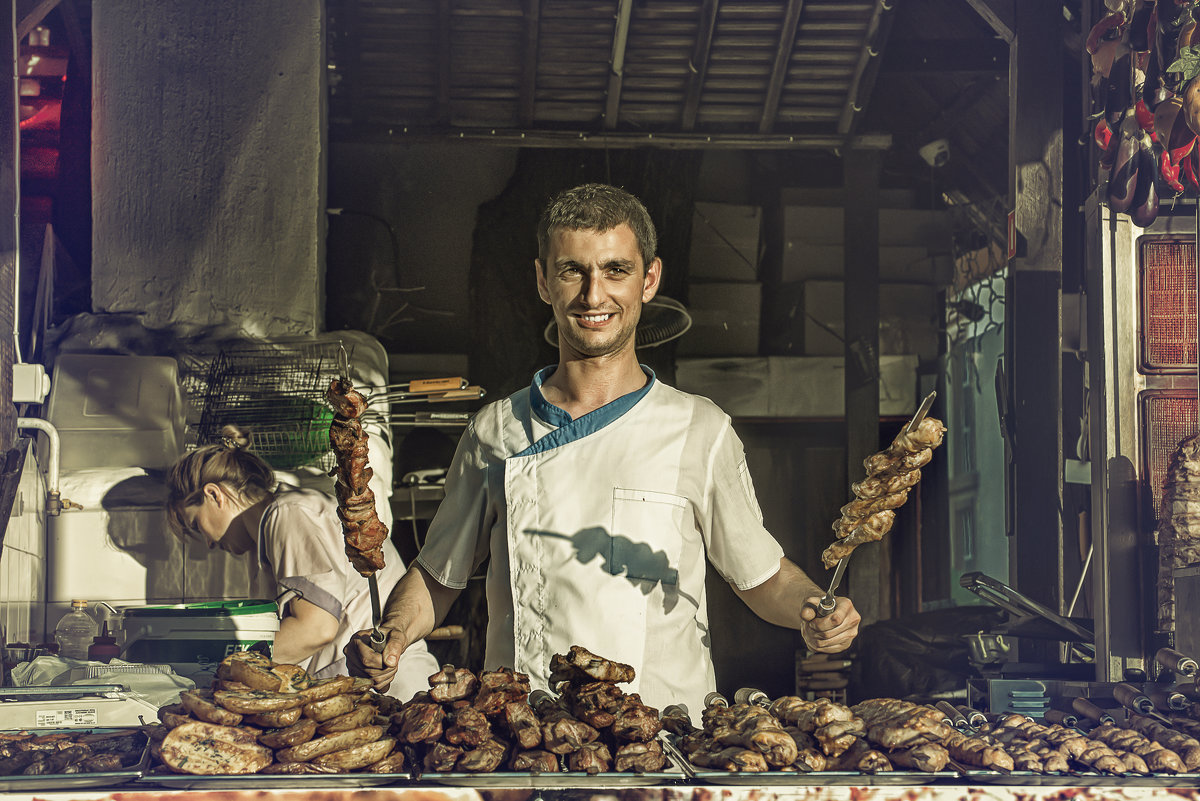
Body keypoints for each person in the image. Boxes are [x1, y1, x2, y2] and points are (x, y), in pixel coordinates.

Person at [347, 183, 860, 714]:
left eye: (616, 270)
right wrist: (392, 634)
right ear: (544, 281)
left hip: (662, 739)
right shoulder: (494, 431)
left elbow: (761, 575)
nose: (595, 296)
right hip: (531, 736)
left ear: (650, 279)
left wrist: (813, 609)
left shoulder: (699, 429)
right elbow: (438, 575)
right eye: (573, 271)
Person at [166, 426, 439, 700]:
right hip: (360, 688)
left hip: (392, 688)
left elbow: (315, 629)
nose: (209, 543)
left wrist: (224, 672)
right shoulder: (267, 542)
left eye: (196, 525)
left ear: (214, 495)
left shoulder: (291, 513)